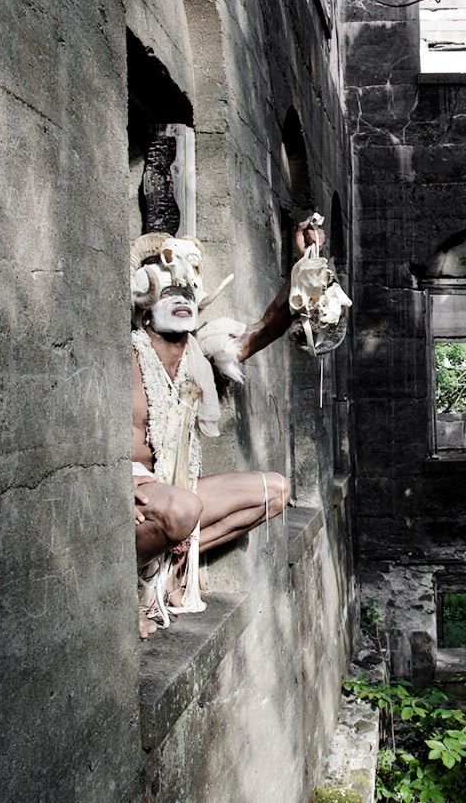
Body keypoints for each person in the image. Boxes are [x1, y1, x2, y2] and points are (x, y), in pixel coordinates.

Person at [130, 221, 322, 638]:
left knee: (276, 492)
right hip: (134, 499)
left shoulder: (199, 353)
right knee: (180, 509)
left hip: (179, 492)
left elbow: (268, 326)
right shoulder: (126, 354)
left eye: (186, 294)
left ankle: (171, 567)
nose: (181, 301)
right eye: (169, 294)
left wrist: (302, 263)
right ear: (146, 302)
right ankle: (123, 591)